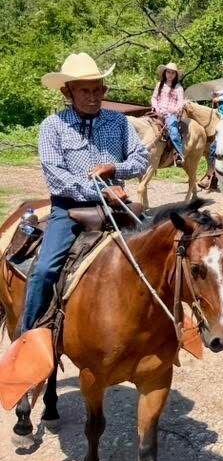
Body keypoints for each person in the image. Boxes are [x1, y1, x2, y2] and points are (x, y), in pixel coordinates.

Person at [21, 53, 149, 335]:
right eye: (84, 91)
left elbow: (141, 159)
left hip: (118, 205)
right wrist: (100, 189)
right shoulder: (52, 127)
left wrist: (114, 167)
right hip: (69, 209)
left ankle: (176, 325)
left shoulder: (119, 122)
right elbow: (56, 176)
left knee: (166, 248)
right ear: (68, 92)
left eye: (97, 90)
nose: (93, 97)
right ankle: (26, 339)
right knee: (44, 271)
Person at [151, 62, 185, 166]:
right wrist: (156, 108)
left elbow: (181, 103)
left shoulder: (178, 88)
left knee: (174, 132)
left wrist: (174, 110)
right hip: (158, 113)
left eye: (172, 73)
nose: (170, 75)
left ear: (175, 75)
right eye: (168, 72)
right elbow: (154, 98)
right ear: (165, 73)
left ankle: (179, 154)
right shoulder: (159, 85)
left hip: (171, 115)